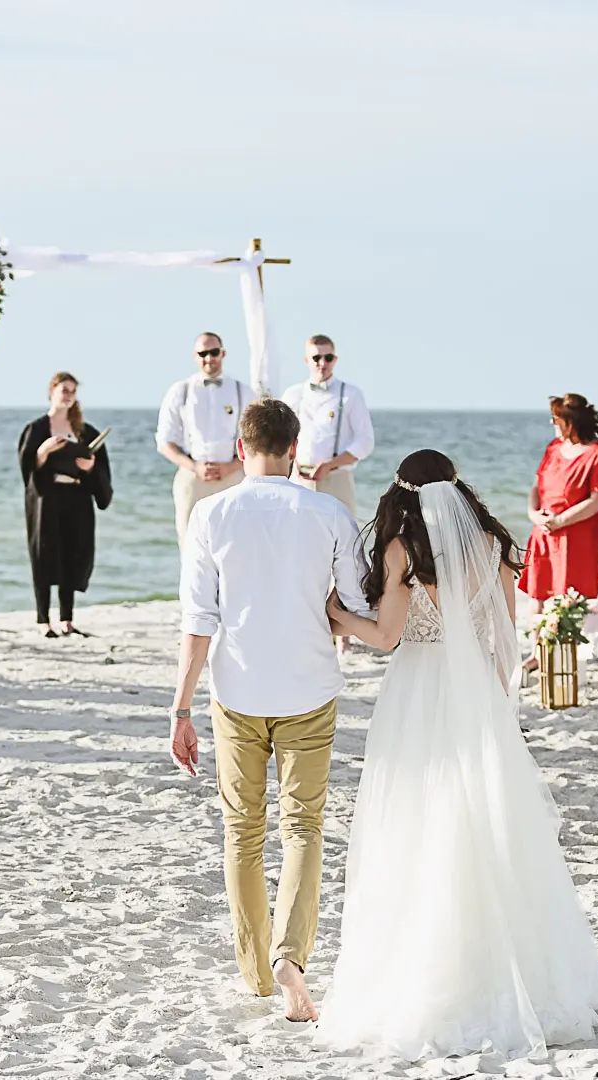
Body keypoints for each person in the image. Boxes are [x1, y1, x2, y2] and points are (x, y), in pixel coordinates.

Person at [316, 449, 598, 1057]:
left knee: (415, 825)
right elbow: (505, 645)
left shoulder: (402, 551)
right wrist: (498, 709)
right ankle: (514, 975)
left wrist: (339, 617)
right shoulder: (492, 547)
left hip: (418, 695)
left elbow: (388, 636)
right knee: (483, 826)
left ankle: (425, 971)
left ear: (403, 494)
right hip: (476, 694)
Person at [168, 398, 370, 1024]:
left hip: (237, 692)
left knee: (242, 831)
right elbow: (354, 604)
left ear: (239, 444)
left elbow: (199, 621)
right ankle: (292, 957)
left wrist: (180, 709)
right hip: (310, 687)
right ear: (295, 445)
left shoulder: (210, 513)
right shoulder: (330, 512)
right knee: (303, 828)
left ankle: (257, 969)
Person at [17, 372, 113, 637]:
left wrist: (91, 467)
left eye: (72, 390)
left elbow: (101, 473)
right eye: (64, 389)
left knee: (73, 555)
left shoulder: (85, 430)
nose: (68, 394)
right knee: (44, 556)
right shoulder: (37, 429)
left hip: (77, 499)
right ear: (52, 391)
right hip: (46, 500)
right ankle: (43, 620)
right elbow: (27, 470)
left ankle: (67, 619)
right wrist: (43, 452)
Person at [519, 393, 598, 609]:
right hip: (544, 534)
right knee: (537, 598)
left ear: (570, 423)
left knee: (571, 605)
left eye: (556, 419)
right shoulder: (553, 448)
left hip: (578, 537)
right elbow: (537, 486)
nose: (552, 423)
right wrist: (535, 515)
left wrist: (560, 520)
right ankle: (538, 645)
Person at [157, 332, 247, 546]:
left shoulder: (242, 392)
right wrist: (194, 466)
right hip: (192, 478)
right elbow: (165, 442)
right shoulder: (180, 391)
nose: (209, 358)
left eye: (214, 352)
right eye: (203, 353)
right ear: (195, 356)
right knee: (190, 546)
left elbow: (255, 442)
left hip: (232, 478)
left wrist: (231, 467)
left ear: (223, 353)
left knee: (233, 545)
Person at [279, 335, 374, 516]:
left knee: (342, 538)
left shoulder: (351, 394)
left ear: (335, 360)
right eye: (316, 358)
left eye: (328, 358)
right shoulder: (292, 394)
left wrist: (329, 465)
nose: (322, 363)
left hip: (337, 480)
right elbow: (281, 437)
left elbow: (365, 441)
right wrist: (291, 464)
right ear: (307, 360)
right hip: (299, 481)